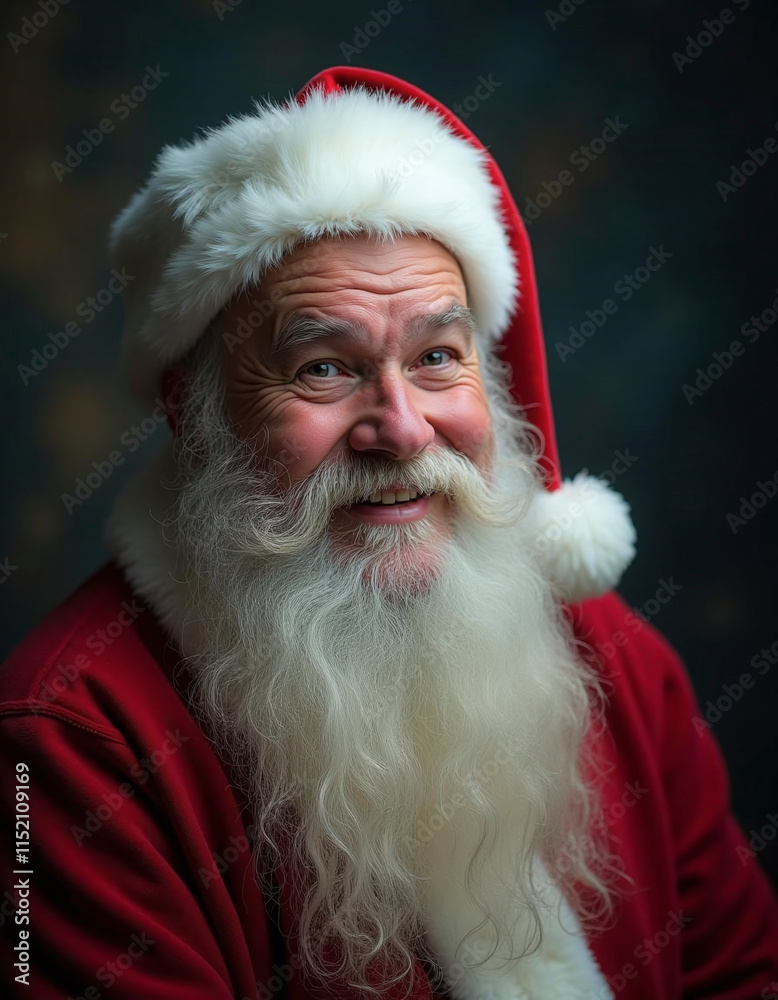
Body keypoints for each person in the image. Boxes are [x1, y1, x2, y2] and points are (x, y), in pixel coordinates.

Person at [1, 65, 777, 1000]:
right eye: (324, 368)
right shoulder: (70, 747)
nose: (403, 428)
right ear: (190, 411)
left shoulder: (612, 658)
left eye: (438, 358)